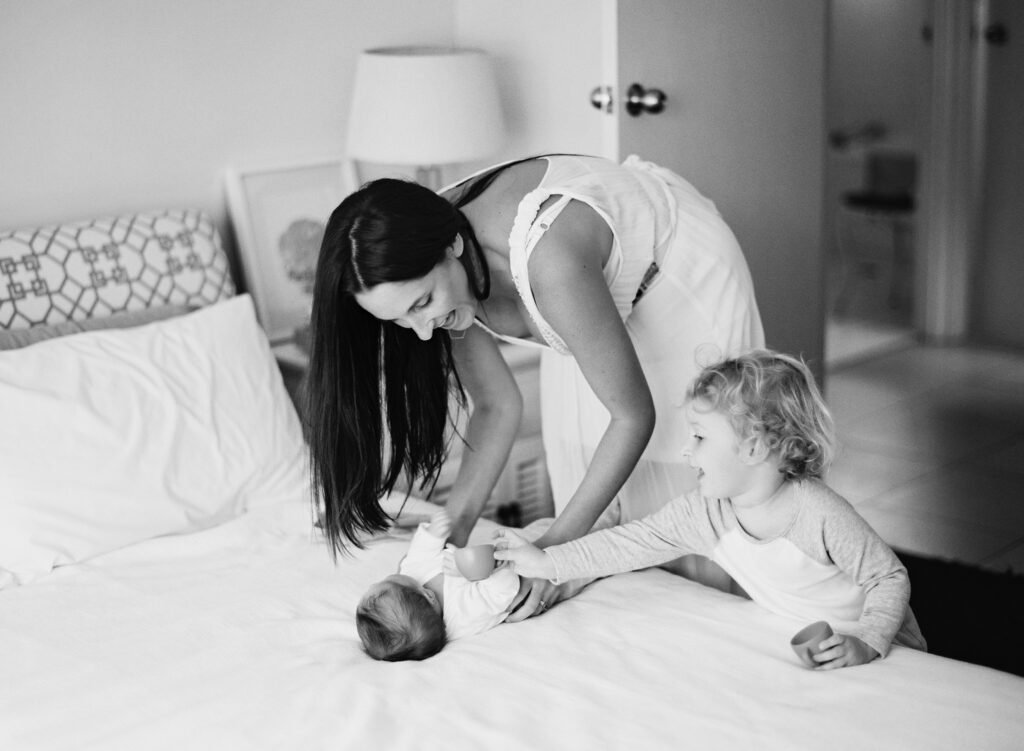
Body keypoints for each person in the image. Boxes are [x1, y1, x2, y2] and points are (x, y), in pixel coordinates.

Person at [306, 154, 764, 621]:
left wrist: (551, 557)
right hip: (581, 298)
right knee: (589, 474)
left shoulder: (548, 260)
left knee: (695, 476)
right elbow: (497, 405)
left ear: (453, 247)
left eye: (422, 303)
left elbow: (632, 417)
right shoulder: (428, 267)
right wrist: (451, 534)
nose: (422, 333)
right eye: (401, 319)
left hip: (675, 278)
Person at [493, 350, 927, 668]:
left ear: (754, 447)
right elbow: (628, 544)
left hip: (881, 647)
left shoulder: (819, 514)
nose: (686, 451)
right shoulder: (705, 514)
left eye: (699, 436)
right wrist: (547, 562)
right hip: (807, 643)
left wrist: (866, 642)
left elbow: (888, 577)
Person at [356, 507, 528, 661]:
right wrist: (482, 571)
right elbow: (501, 594)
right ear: (428, 595)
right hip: (517, 564)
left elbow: (419, 553)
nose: (385, 577)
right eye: (387, 581)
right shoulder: (463, 616)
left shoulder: (410, 575)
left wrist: (433, 534)